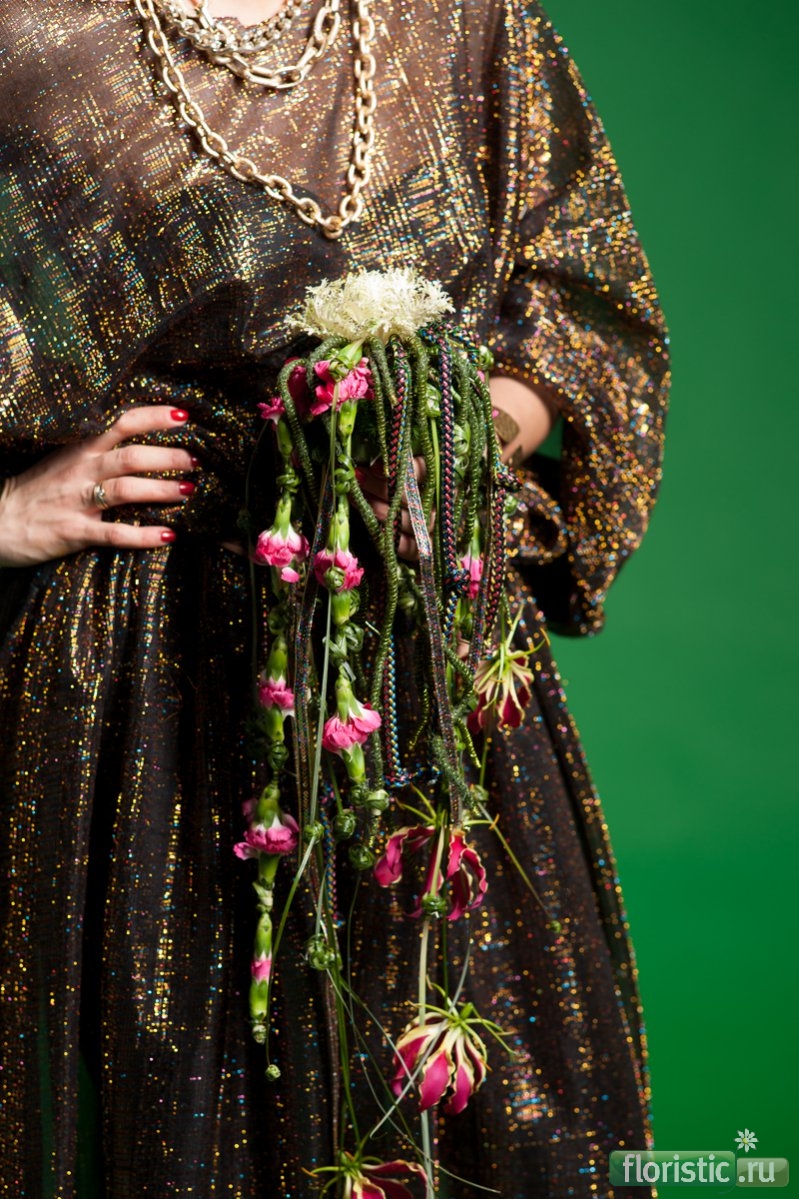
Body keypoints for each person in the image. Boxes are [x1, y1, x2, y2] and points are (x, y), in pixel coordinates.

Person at [0, 0, 669, 1194]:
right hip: (133, 686)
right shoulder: (29, 35)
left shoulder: (467, 22)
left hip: (419, 659)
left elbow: (579, 315)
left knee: (484, 1106)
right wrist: (5, 512)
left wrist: (450, 439)